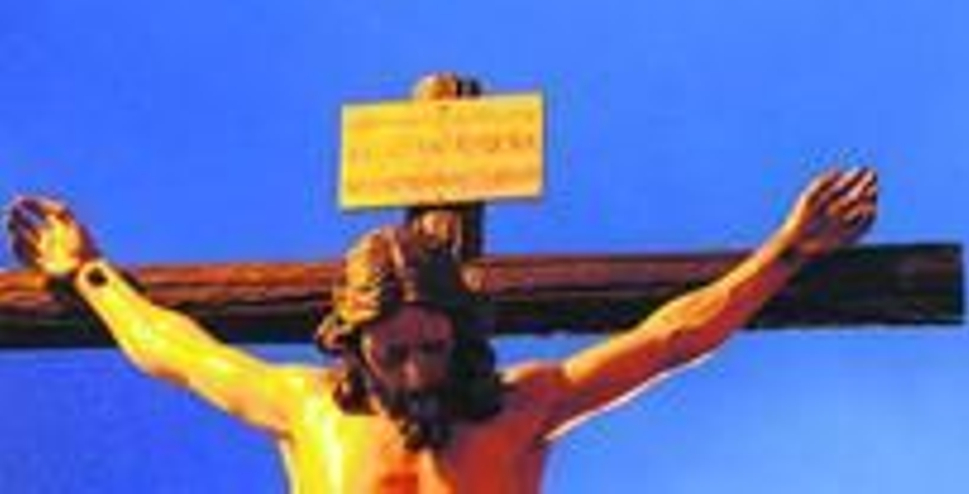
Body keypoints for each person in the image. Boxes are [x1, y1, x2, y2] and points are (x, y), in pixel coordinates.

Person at [5, 167, 878, 493]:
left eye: (433, 344)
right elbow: (175, 350)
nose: (420, 367)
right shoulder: (306, 410)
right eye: (397, 350)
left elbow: (672, 336)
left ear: (463, 335)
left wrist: (789, 248)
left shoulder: (525, 406)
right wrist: (85, 272)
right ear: (354, 346)